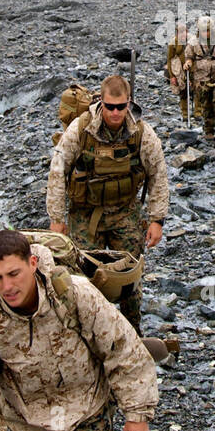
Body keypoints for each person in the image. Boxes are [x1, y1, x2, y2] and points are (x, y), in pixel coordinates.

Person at [0, 229, 158, 431]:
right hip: (28, 427)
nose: (7, 286)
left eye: (14, 273)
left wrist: (137, 413)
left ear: (32, 263)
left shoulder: (75, 294)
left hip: (85, 414)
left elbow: (122, 348)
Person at [47, 74, 169, 331]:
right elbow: (58, 170)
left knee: (129, 277)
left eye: (121, 106)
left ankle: (131, 333)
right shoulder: (81, 129)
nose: (115, 113)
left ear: (129, 104)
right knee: (81, 277)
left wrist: (157, 220)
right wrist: (56, 220)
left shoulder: (141, 134)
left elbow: (158, 173)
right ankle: (86, 333)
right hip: (85, 213)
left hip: (125, 213)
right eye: (110, 106)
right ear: (101, 102)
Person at [184, 15, 215, 139]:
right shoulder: (193, 42)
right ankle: (209, 130)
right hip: (201, 79)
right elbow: (189, 56)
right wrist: (188, 62)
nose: (207, 33)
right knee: (206, 104)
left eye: (208, 30)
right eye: (204, 31)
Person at [166, 22, 192, 123]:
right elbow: (169, 59)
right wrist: (172, 76)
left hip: (191, 69)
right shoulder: (173, 43)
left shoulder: (191, 41)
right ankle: (185, 114)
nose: (182, 34)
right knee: (183, 92)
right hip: (179, 71)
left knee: (197, 90)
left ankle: (198, 112)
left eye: (184, 32)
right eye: (180, 32)